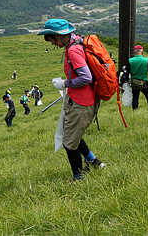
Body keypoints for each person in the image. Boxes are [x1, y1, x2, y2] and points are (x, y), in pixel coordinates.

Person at [39, 18, 106, 181]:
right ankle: (93, 161)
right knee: (72, 134)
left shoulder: (72, 50)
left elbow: (86, 78)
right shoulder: (78, 42)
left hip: (81, 103)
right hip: (81, 99)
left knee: (69, 143)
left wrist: (64, 83)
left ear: (60, 36)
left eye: (52, 39)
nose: (53, 44)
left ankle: (79, 179)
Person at [128, 45, 148, 109]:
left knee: (135, 98)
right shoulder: (146, 60)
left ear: (134, 52)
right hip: (144, 82)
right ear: (142, 52)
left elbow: (127, 71)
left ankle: (135, 111)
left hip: (134, 83)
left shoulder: (130, 60)